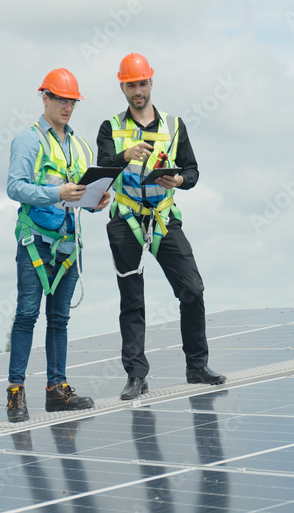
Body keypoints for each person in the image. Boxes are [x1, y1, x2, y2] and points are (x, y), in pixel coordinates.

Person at [97, 53, 225, 401]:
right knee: (132, 301)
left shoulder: (174, 125)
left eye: (142, 83)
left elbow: (193, 171)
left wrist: (179, 179)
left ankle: (197, 366)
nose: (137, 90)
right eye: (131, 85)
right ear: (122, 86)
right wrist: (125, 156)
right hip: (126, 221)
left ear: (151, 83)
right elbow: (102, 169)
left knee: (193, 288)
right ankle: (136, 375)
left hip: (164, 218)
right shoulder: (110, 128)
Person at [4, 68, 110, 423]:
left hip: (67, 246)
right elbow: (15, 187)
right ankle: (16, 392)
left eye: (72, 102)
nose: (67, 107)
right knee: (27, 315)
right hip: (36, 242)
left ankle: (56, 389)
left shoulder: (78, 145)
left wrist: (95, 201)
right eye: (61, 100)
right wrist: (55, 193)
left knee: (59, 319)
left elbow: (78, 195)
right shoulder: (29, 140)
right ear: (45, 98)